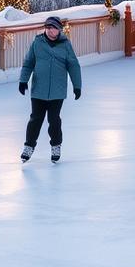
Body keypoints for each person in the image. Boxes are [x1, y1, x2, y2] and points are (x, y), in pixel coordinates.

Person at [19, 16, 82, 164]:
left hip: (57, 90)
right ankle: (29, 146)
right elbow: (28, 63)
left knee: (54, 120)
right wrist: (23, 80)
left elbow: (73, 65)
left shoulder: (65, 44)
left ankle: (56, 145)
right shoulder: (37, 42)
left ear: (59, 29)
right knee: (35, 119)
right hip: (38, 89)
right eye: (47, 27)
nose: (50, 30)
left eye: (53, 27)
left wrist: (77, 85)